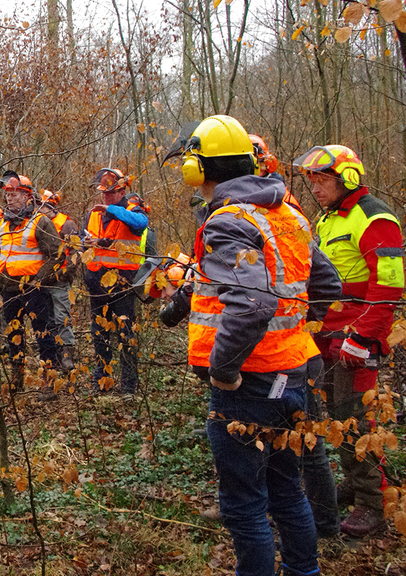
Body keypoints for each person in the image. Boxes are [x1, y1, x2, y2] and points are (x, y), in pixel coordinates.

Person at [162, 115, 341, 576]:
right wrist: (295, 329)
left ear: (199, 169)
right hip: (293, 372)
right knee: (286, 491)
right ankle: (305, 571)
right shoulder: (286, 213)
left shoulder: (228, 221)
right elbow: (327, 283)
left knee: (244, 504)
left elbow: (254, 302)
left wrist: (224, 368)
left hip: (249, 383)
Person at [293, 143, 404, 537]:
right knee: (337, 419)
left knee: (355, 419)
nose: (315, 188)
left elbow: (389, 286)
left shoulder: (373, 217)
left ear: (347, 178)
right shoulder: (328, 220)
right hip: (329, 338)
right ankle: (355, 485)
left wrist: (364, 337)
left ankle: (373, 503)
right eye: (312, 181)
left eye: (322, 180)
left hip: (357, 340)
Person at [0, 171, 64, 396]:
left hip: (34, 290)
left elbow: (57, 254)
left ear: (27, 196)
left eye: (15, 194)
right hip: (9, 290)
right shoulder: (1, 225)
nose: (10, 198)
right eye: (7, 194)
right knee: (14, 336)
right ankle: (16, 380)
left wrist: (38, 280)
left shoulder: (40, 221)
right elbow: (0, 255)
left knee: (43, 334)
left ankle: (49, 382)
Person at [82, 167, 148, 395]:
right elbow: (83, 241)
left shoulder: (132, 209)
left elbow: (140, 224)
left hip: (123, 283)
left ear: (120, 192)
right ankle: (102, 379)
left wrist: (110, 209)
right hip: (96, 282)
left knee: (125, 332)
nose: (105, 197)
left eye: (110, 193)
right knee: (99, 332)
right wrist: (87, 244)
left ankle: (129, 385)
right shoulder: (93, 214)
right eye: (103, 193)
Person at [37, 190, 80, 371]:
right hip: (40, 280)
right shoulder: (35, 223)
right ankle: (52, 356)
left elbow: (75, 253)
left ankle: (66, 356)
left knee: (62, 318)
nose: (40, 209)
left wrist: (64, 274)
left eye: (43, 205)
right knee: (46, 320)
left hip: (59, 280)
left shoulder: (66, 224)